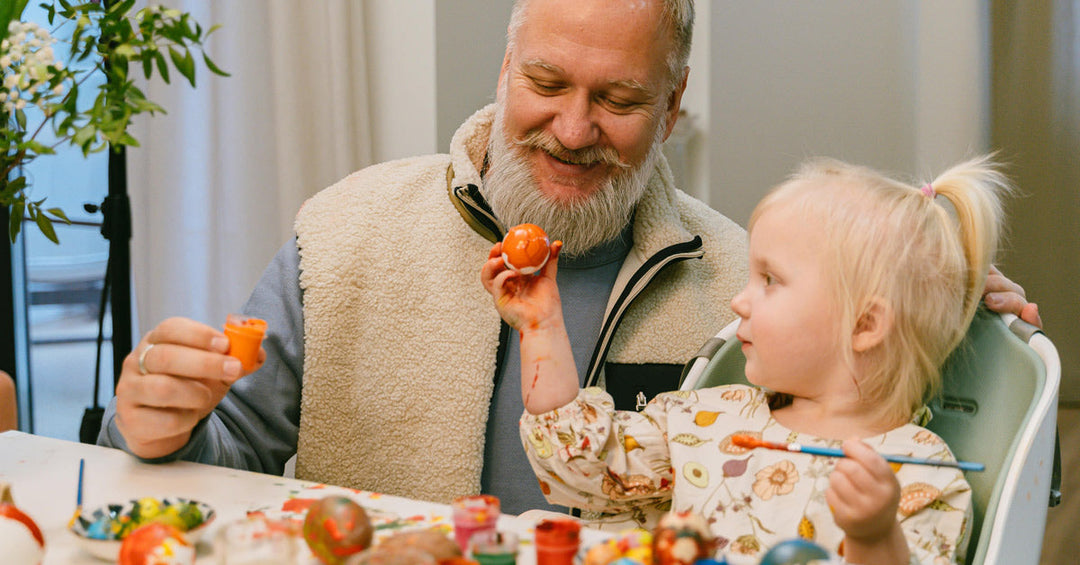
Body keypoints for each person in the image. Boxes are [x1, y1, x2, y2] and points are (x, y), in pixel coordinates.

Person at [97, 0, 1039, 517]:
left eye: (620, 99)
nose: (574, 128)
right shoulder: (345, 232)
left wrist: (949, 304)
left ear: (673, 113)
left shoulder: (738, 279)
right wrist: (157, 429)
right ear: (504, 72)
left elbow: (891, 417)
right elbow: (225, 469)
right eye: (546, 82)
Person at [487, 155, 1013, 564]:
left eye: (770, 281)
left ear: (865, 326)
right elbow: (581, 461)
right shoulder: (706, 418)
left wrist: (874, 537)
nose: (740, 301)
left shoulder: (925, 477)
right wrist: (542, 328)